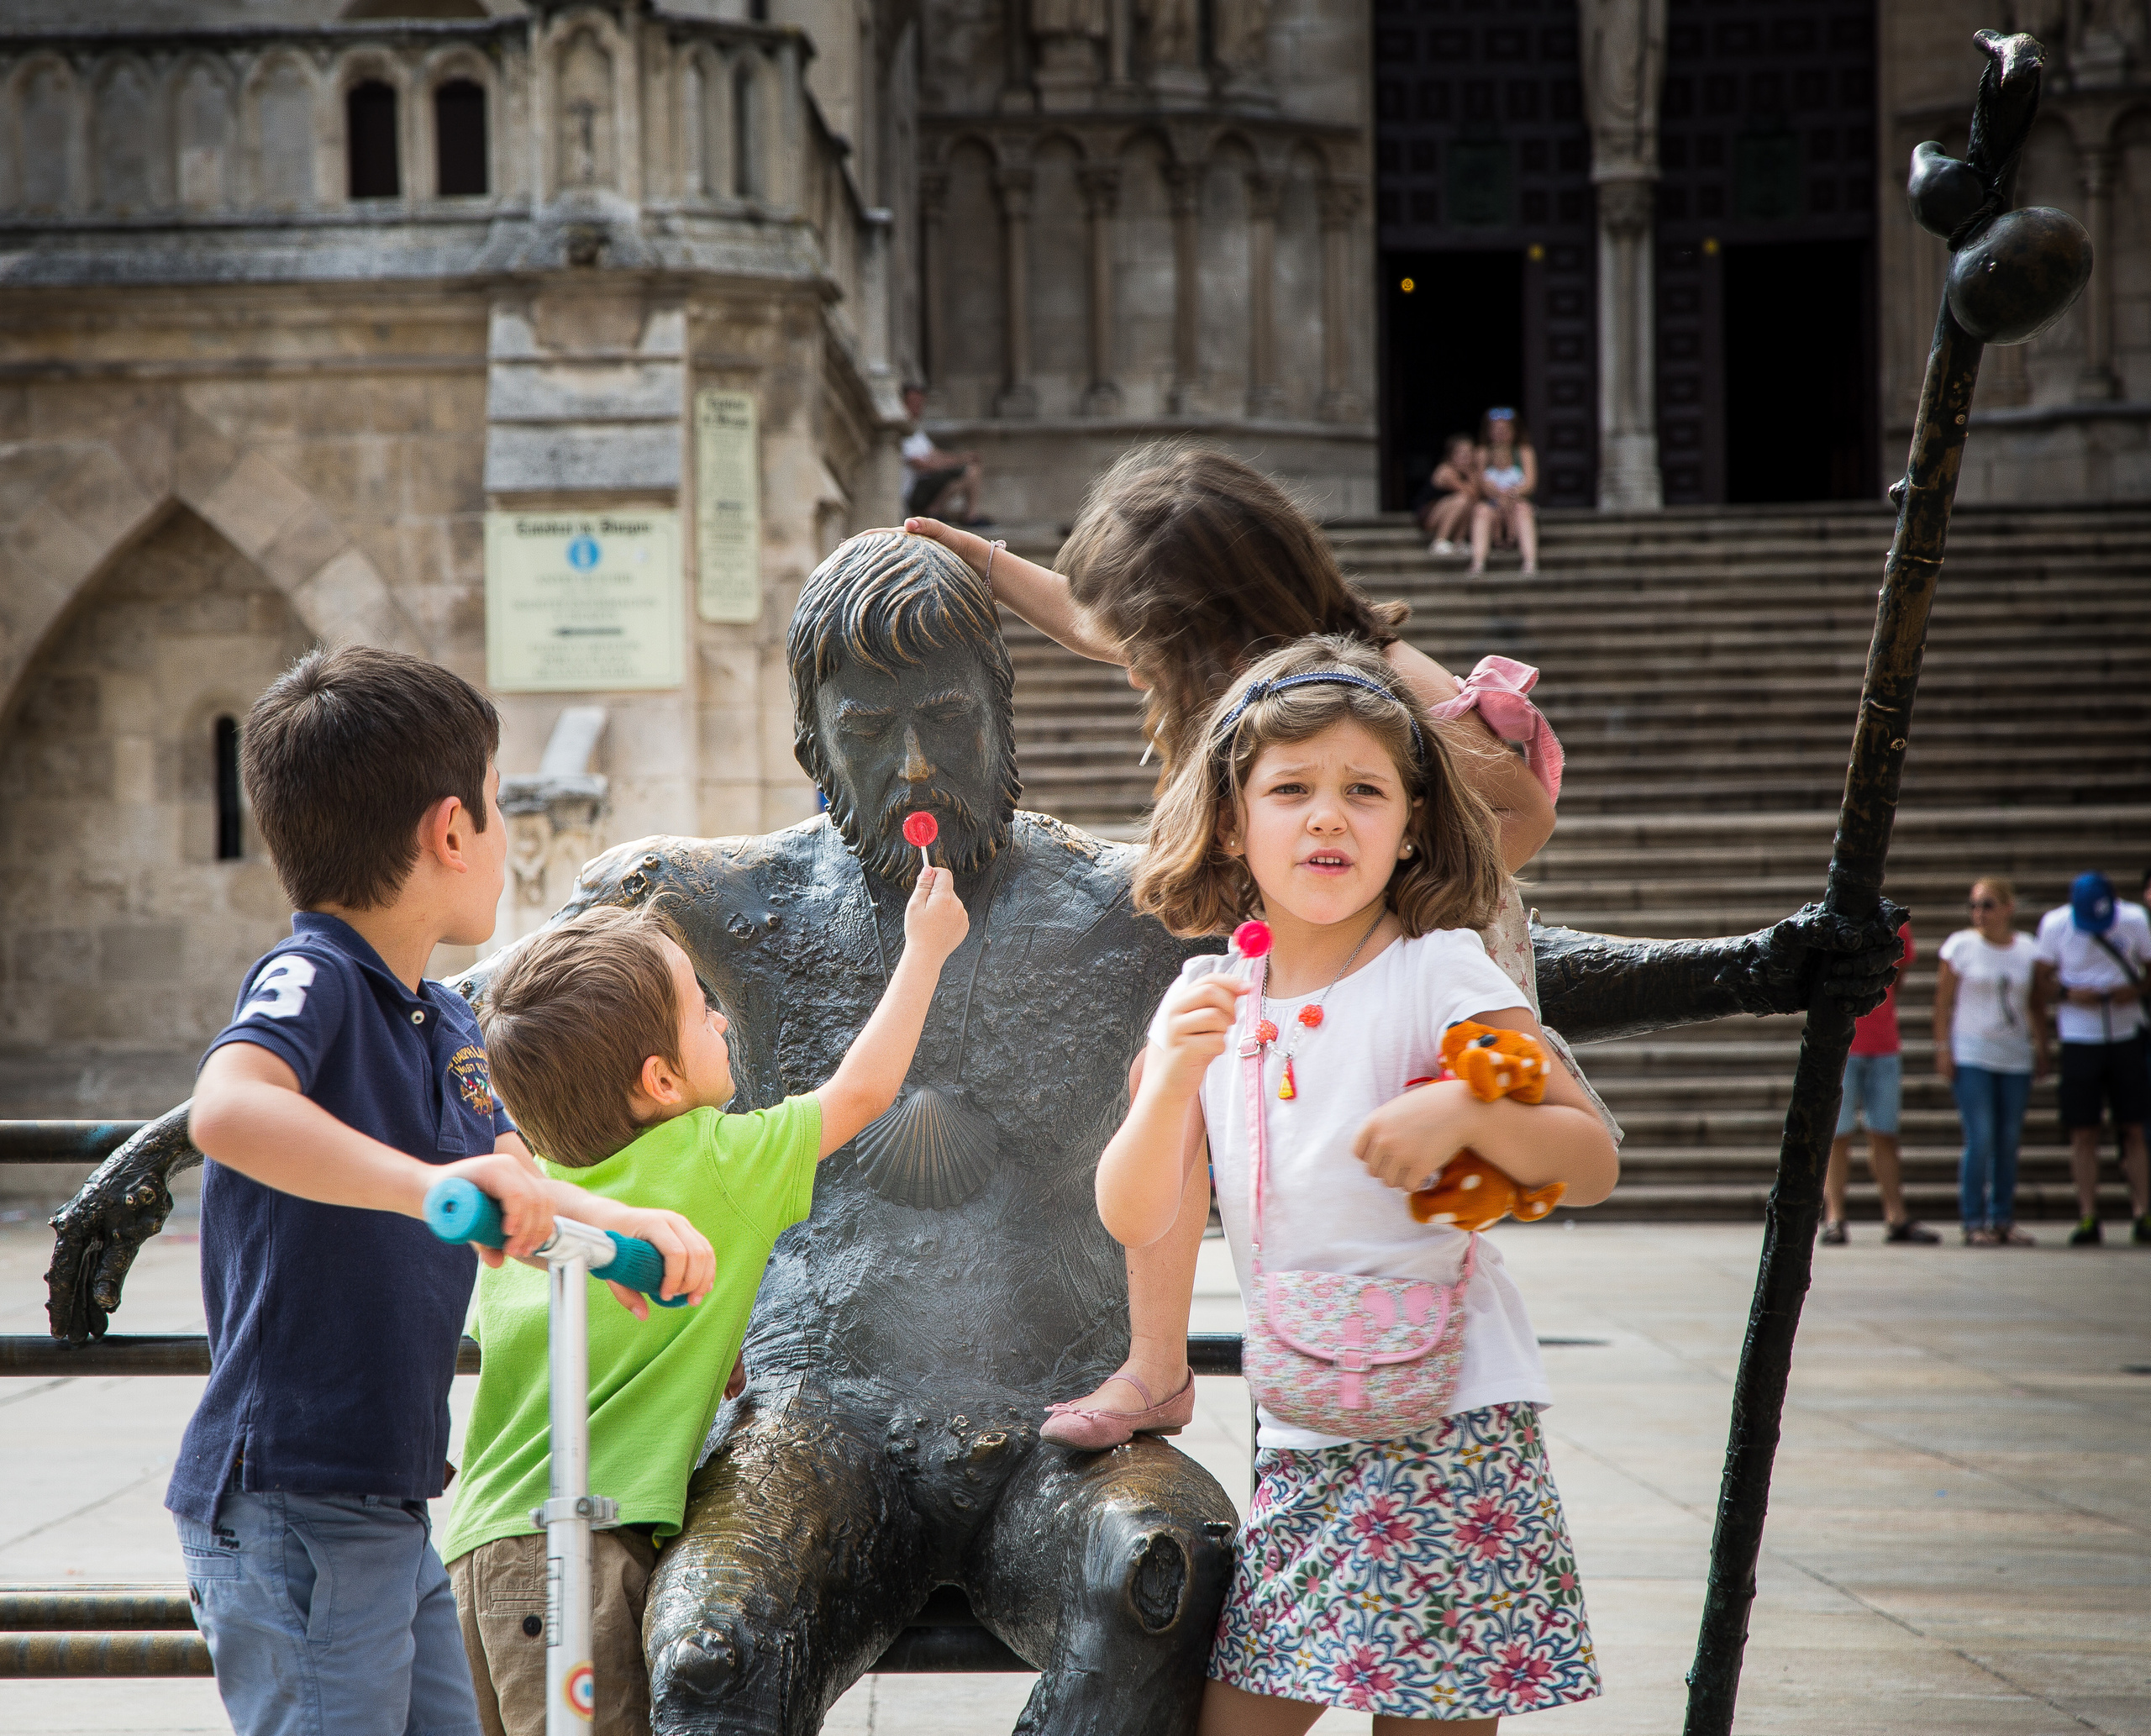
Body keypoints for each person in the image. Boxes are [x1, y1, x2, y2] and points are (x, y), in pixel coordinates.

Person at [904, 442, 1901, 1445]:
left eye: (1144, 632)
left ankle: (1391, 1350)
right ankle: (1161, 1365)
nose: (1125, 655)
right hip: (1294, 940)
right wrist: (981, 561)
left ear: (1201, 612)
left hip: (1413, 932)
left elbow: (1522, 804)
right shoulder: (1226, 661)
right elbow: (1090, 618)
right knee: (1170, 1087)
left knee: (1381, 1165)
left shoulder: (1368, 674)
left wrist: (1400, 902)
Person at [171, 648, 715, 1736]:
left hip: (389, 1497)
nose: (505, 834)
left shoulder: (446, 1017)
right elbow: (226, 1110)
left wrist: (622, 1226)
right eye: (501, 805)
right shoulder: (313, 976)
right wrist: (426, 1185)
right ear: (453, 829)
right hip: (294, 1500)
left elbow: (514, 1174)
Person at [1093, 637, 1617, 1733]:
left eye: (1364, 791)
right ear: (1232, 822)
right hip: (1306, 1430)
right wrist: (1168, 1081)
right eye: (1291, 789)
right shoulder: (1209, 994)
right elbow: (1134, 1212)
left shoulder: (1440, 970)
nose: (1327, 816)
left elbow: (1587, 1155)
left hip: (1452, 1426)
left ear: (1413, 821)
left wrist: (1469, 1110)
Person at [444, 873, 969, 1736]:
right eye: (701, 1009)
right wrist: (925, 950)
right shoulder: (718, 1157)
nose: (722, 1021)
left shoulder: (539, 1199)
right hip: (578, 1553)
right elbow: (863, 1093)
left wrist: (705, 1340)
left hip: (474, 1551)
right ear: (659, 1079)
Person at [2036, 871, 2151, 1245]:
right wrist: (2069, 993)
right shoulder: (2055, 925)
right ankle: (2088, 1214)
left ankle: (2144, 1212)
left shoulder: (2134, 919)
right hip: (2079, 1036)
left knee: (2133, 1127)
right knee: (2083, 1130)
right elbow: (2041, 979)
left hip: (2126, 1031)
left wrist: (2134, 989)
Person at [1935, 879, 2046, 1245]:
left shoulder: (2028, 948)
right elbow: (1942, 1003)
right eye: (1974, 905)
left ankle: (2002, 1218)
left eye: (1987, 904)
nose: (1979, 913)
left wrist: (2042, 1046)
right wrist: (1943, 1048)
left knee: (2008, 1139)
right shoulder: (1961, 946)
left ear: (2008, 907)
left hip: (2015, 1055)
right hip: (1972, 1053)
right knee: (1980, 1136)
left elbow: (2035, 1003)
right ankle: (1973, 1220)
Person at [1820, 919, 1937, 1245]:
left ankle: (1895, 1215)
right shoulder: (1833, 921)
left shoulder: (1894, 924)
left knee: (1885, 1133)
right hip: (1843, 1045)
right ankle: (1834, 1216)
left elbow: (1897, 977)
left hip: (1883, 1044)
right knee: (1837, 1135)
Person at [898, 381, 986, 523]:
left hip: (924, 486)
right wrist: (953, 464)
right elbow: (922, 465)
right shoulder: (902, 432)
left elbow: (935, 454)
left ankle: (965, 514)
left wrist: (963, 458)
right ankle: (936, 511)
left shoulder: (916, 431)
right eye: (913, 403)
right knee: (966, 472)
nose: (917, 408)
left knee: (971, 470)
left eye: (920, 404)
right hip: (911, 492)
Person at [1468, 407, 1538, 577]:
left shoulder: (1524, 451)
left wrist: (1510, 495)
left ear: (1514, 431)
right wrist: (1499, 498)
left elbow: (1529, 484)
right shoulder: (1482, 453)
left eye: (1505, 430)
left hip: (1516, 503)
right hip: (1493, 505)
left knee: (1523, 509)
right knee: (1482, 511)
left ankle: (1530, 562)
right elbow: (1481, 484)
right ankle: (1478, 563)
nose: (1500, 434)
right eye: (1496, 430)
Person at [1414, 433, 1478, 556]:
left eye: (1469, 453)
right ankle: (1440, 540)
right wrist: (1471, 475)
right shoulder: (1445, 470)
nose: (1466, 457)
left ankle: (1459, 541)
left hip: (1452, 511)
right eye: (1462, 453)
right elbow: (1470, 492)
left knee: (1470, 503)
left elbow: (1476, 497)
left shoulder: (1469, 473)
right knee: (1463, 499)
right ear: (1452, 455)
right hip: (1430, 515)